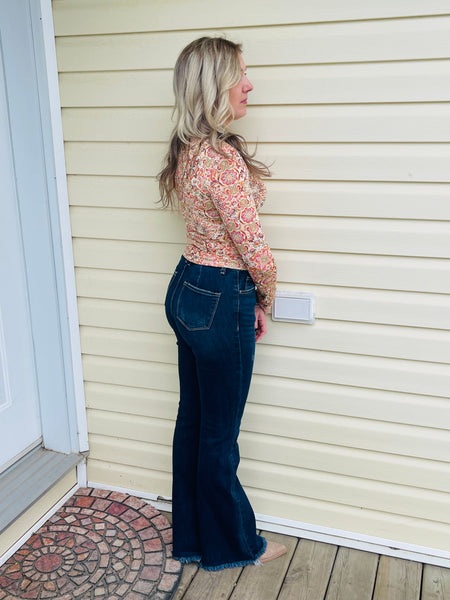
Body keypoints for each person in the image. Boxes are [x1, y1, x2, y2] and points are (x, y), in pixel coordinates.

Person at [158, 36, 286, 571]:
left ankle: (190, 539)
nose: (249, 84)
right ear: (214, 87)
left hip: (186, 286)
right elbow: (253, 246)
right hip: (221, 295)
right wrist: (266, 295)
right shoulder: (222, 158)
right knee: (218, 436)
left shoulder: (187, 151)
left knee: (193, 423)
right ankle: (237, 545)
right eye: (241, 75)